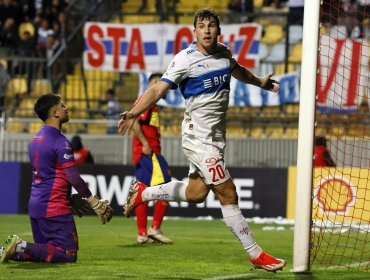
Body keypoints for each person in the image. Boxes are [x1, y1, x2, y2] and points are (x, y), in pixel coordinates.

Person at [118, 8, 285, 272]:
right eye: (202, 25)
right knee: (228, 192)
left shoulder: (224, 53)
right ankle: (255, 254)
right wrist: (134, 112)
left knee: (196, 194)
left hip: (216, 138)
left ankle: (144, 192)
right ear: (194, 31)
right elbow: (158, 89)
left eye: (211, 25)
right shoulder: (184, 59)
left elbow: (238, 70)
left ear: (218, 30)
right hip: (198, 137)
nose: (207, 30)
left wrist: (261, 82)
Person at [0, 94, 113, 264]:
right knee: (68, 255)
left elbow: (49, 175)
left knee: (43, 253)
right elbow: (73, 176)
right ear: (55, 113)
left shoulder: (35, 140)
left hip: (37, 206)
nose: (67, 108)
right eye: (63, 105)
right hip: (54, 207)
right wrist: (93, 201)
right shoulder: (61, 142)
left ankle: (7, 250)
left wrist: (70, 199)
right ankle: (19, 245)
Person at [131, 72, 172, 244]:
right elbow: (133, 121)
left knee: (144, 191)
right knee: (167, 188)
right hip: (149, 152)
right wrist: (145, 144)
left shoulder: (150, 103)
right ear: (153, 83)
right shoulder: (146, 100)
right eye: (161, 83)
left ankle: (142, 233)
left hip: (145, 153)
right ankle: (154, 229)